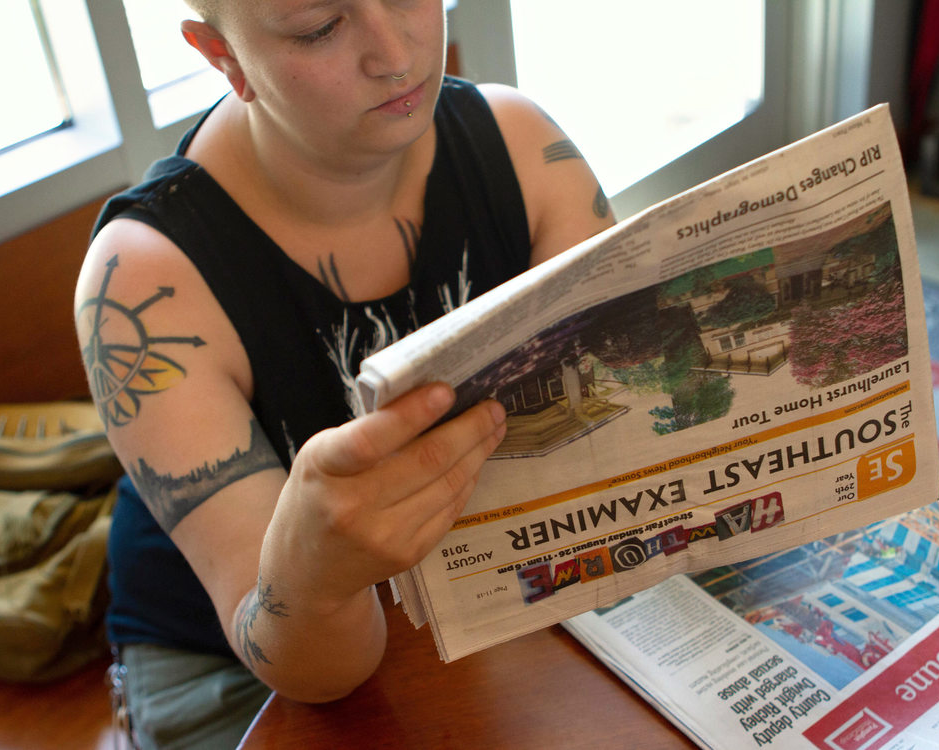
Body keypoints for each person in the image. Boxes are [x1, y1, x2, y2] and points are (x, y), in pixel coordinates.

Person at [73, 0, 614, 747]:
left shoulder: (520, 146)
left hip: (484, 574)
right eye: (318, 27)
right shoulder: (144, 282)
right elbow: (313, 670)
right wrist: (317, 575)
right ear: (221, 56)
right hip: (235, 661)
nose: (395, 55)